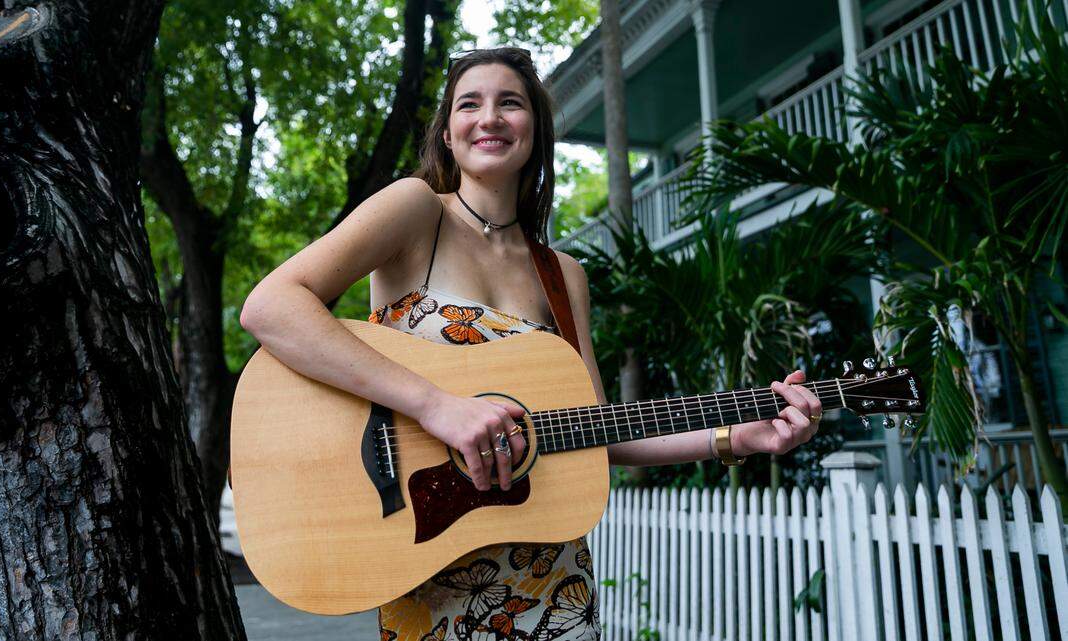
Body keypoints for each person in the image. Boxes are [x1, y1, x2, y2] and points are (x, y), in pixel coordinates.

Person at [239, 47, 822, 641]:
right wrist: (437, 406)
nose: (489, 117)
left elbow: (598, 430)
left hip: (550, 584)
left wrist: (734, 436)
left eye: (510, 103)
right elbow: (271, 307)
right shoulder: (414, 212)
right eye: (470, 104)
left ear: (536, 130)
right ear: (447, 132)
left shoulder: (563, 276)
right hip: (428, 566)